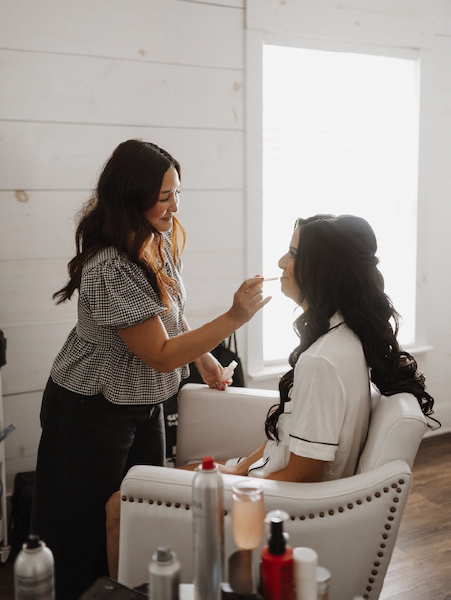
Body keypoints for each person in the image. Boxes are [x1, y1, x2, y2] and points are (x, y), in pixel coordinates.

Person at [105, 213, 437, 577]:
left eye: (293, 254)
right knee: (162, 478)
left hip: (282, 507)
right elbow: (291, 433)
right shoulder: (342, 337)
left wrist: (241, 484)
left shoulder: (323, 362)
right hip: (264, 481)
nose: (281, 263)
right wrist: (239, 466)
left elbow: (305, 473)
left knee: (121, 504)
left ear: (324, 268)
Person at [30, 139, 270, 600]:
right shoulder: (109, 266)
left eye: (177, 193)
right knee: (81, 536)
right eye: (164, 196)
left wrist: (204, 358)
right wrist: (234, 317)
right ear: (131, 197)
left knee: (141, 512)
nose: (175, 206)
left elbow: (169, 314)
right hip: (90, 408)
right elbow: (158, 353)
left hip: (144, 402)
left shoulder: (159, 237)